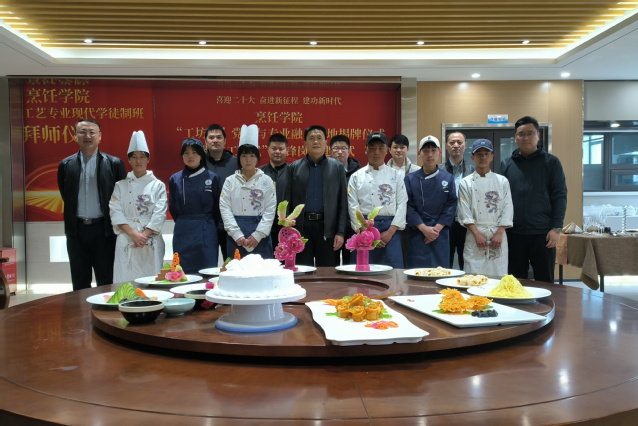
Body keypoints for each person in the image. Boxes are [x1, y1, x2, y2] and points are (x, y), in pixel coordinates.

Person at [57, 119, 126, 291]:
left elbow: (122, 197)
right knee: (79, 282)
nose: (87, 136)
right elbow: (66, 195)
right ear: (75, 135)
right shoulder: (65, 165)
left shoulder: (114, 163)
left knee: (107, 279)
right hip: (76, 231)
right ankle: (81, 309)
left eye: (92, 132)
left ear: (100, 136)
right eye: (82, 132)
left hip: (104, 230)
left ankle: (106, 308)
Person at [499, 116, 567, 283]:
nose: (526, 138)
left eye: (530, 133)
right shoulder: (506, 164)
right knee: (515, 282)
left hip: (543, 233)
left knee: (545, 282)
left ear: (538, 135)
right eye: (521, 134)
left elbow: (559, 196)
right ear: (515, 138)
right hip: (514, 234)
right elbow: (500, 200)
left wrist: (556, 228)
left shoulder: (551, 163)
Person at [284, 125, 348, 267]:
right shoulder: (294, 167)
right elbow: (287, 200)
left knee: (327, 272)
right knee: (302, 270)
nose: (316, 142)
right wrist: (289, 230)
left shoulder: (337, 167)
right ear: (305, 143)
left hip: (328, 227)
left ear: (326, 142)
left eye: (320, 138)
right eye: (311, 138)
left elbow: (343, 202)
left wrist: (340, 232)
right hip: (301, 228)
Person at [109, 131, 167, 282]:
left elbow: (160, 213)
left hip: (150, 238)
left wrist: (144, 235)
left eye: (142, 156)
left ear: (148, 159)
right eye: (134, 157)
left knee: (151, 278)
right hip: (127, 236)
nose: (138, 160)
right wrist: (133, 234)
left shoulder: (157, 185)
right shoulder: (120, 185)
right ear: (129, 160)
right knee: (125, 279)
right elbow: (115, 211)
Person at [347, 132, 407, 268]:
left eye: (381, 148)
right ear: (366, 150)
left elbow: (402, 204)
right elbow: (353, 207)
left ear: (387, 150)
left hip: (390, 230)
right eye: (372, 148)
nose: (376, 152)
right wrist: (365, 231)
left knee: (393, 272)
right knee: (363, 270)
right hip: (364, 229)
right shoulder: (356, 177)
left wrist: (390, 232)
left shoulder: (396, 175)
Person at [457, 139, 512, 276]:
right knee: (473, 274)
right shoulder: (465, 183)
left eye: (486, 154)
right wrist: (477, 234)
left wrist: (499, 233)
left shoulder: (502, 181)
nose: (483, 157)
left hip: (497, 233)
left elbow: (508, 207)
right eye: (479, 154)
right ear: (473, 157)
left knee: (498, 274)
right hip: (475, 233)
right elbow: (464, 210)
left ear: (492, 156)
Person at [220, 125, 276, 259]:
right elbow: (225, 208)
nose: (248, 160)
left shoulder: (266, 180)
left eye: (252, 155)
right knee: (236, 269)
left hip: (261, 235)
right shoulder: (230, 181)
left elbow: (270, 209)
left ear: (258, 157)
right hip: (235, 235)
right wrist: (236, 234)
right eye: (244, 156)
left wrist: (258, 235)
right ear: (239, 158)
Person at [404, 135, 457, 269]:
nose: (430, 155)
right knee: (416, 273)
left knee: (440, 273)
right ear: (419, 153)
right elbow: (408, 206)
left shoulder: (447, 178)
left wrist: (436, 229)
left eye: (433, 150)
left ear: (440, 152)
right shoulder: (410, 179)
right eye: (426, 151)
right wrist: (423, 228)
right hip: (418, 233)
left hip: (440, 233)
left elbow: (451, 205)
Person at [169, 138, 221, 273]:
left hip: (206, 229)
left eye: (194, 152)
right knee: (183, 270)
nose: (190, 156)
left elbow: (217, 208)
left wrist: (208, 223)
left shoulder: (212, 178)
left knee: (208, 270)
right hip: (183, 230)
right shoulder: (175, 179)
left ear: (201, 155)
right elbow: (173, 207)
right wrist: (184, 221)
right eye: (186, 153)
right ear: (182, 156)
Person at [439, 132, 476, 270]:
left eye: (459, 142)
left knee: (467, 264)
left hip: (467, 225)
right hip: (445, 225)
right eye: (452, 142)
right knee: (444, 264)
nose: (456, 145)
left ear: (465, 145)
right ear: (446, 146)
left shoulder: (474, 171)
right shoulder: (438, 170)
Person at [204, 123, 238, 259]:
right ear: (206, 141)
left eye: (219, 137)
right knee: (207, 263)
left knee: (231, 263)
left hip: (231, 223)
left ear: (225, 141)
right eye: (211, 137)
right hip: (207, 223)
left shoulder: (236, 163)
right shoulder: (199, 163)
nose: (215, 140)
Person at [330, 134, 361, 264]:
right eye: (336, 148)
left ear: (349, 151)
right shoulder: (325, 171)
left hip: (353, 225)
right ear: (330, 151)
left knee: (351, 265)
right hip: (332, 225)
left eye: (343, 148)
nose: (340, 152)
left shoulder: (358, 173)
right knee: (332, 265)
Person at [260, 133, 289, 248]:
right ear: (268, 150)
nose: (277, 152)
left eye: (281, 149)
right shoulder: (259, 173)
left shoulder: (293, 172)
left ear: (287, 150)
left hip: (286, 227)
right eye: (274, 148)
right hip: (263, 226)